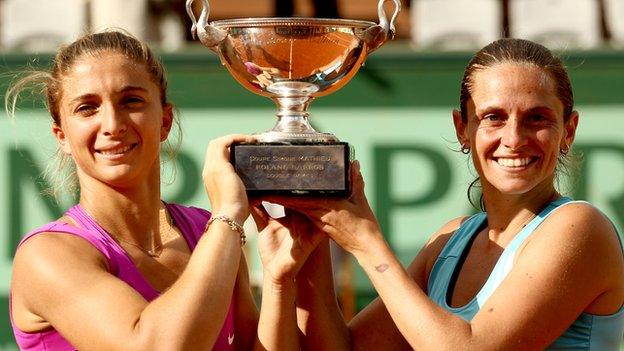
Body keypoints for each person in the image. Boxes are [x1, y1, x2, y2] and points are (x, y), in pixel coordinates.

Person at [265, 38, 624, 350]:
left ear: (569, 130)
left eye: (537, 118)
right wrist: (312, 230)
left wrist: (366, 241)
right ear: (463, 129)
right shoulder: (449, 242)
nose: (514, 139)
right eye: (493, 117)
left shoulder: (580, 228)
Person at [7, 30, 319, 350]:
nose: (113, 124)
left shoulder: (207, 232)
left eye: (131, 101)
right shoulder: (46, 255)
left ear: (165, 121)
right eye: (87, 108)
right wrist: (228, 214)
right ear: (62, 136)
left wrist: (279, 280)